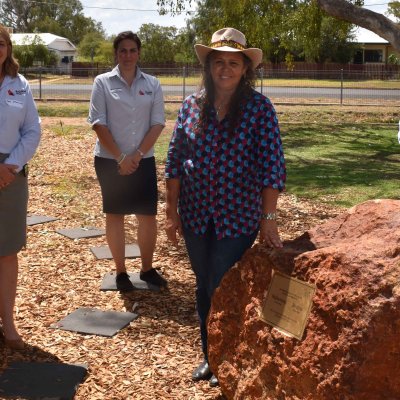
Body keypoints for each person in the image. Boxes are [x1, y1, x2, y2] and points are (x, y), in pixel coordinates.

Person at [165, 27, 286, 386]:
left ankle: (229, 352)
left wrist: (268, 219)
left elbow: (272, 167)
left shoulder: (259, 109)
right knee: (204, 286)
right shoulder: (191, 106)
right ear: (209, 66)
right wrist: (171, 213)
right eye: (219, 62)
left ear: (246, 69)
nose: (226, 69)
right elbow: (174, 161)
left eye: (234, 63)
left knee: (220, 281)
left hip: (238, 217)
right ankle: (211, 355)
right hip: (196, 214)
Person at [88, 31, 167, 292]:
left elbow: (158, 123)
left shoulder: (153, 84)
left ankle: (146, 268)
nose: (128, 55)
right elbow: (98, 123)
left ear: (139, 53)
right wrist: (121, 158)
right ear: (116, 53)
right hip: (110, 161)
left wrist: (136, 156)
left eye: (133, 50)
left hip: (143, 160)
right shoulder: (102, 82)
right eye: (123, 50)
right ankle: (121, 272)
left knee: (146, 215)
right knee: (116, 215)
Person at [0, 25, 41, 350]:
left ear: (8, 48)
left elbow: (32, 130)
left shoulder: (20, 84)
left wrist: (10, 165)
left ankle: (8, 324)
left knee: (7, 251)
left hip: (10, 174)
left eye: (1, 43)